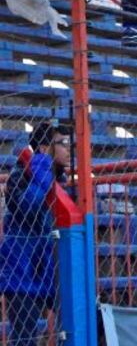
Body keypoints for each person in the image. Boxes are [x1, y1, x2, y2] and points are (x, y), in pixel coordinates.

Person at [0, 122, 71, 344]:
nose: (68, 149)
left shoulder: (59, 178)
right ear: (44, 148)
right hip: (21, 270)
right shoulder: (21, 173)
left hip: (48, 268)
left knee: (66, 331)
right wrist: (42, 170)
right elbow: (26, 208)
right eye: (63, 143)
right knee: (25, 338)